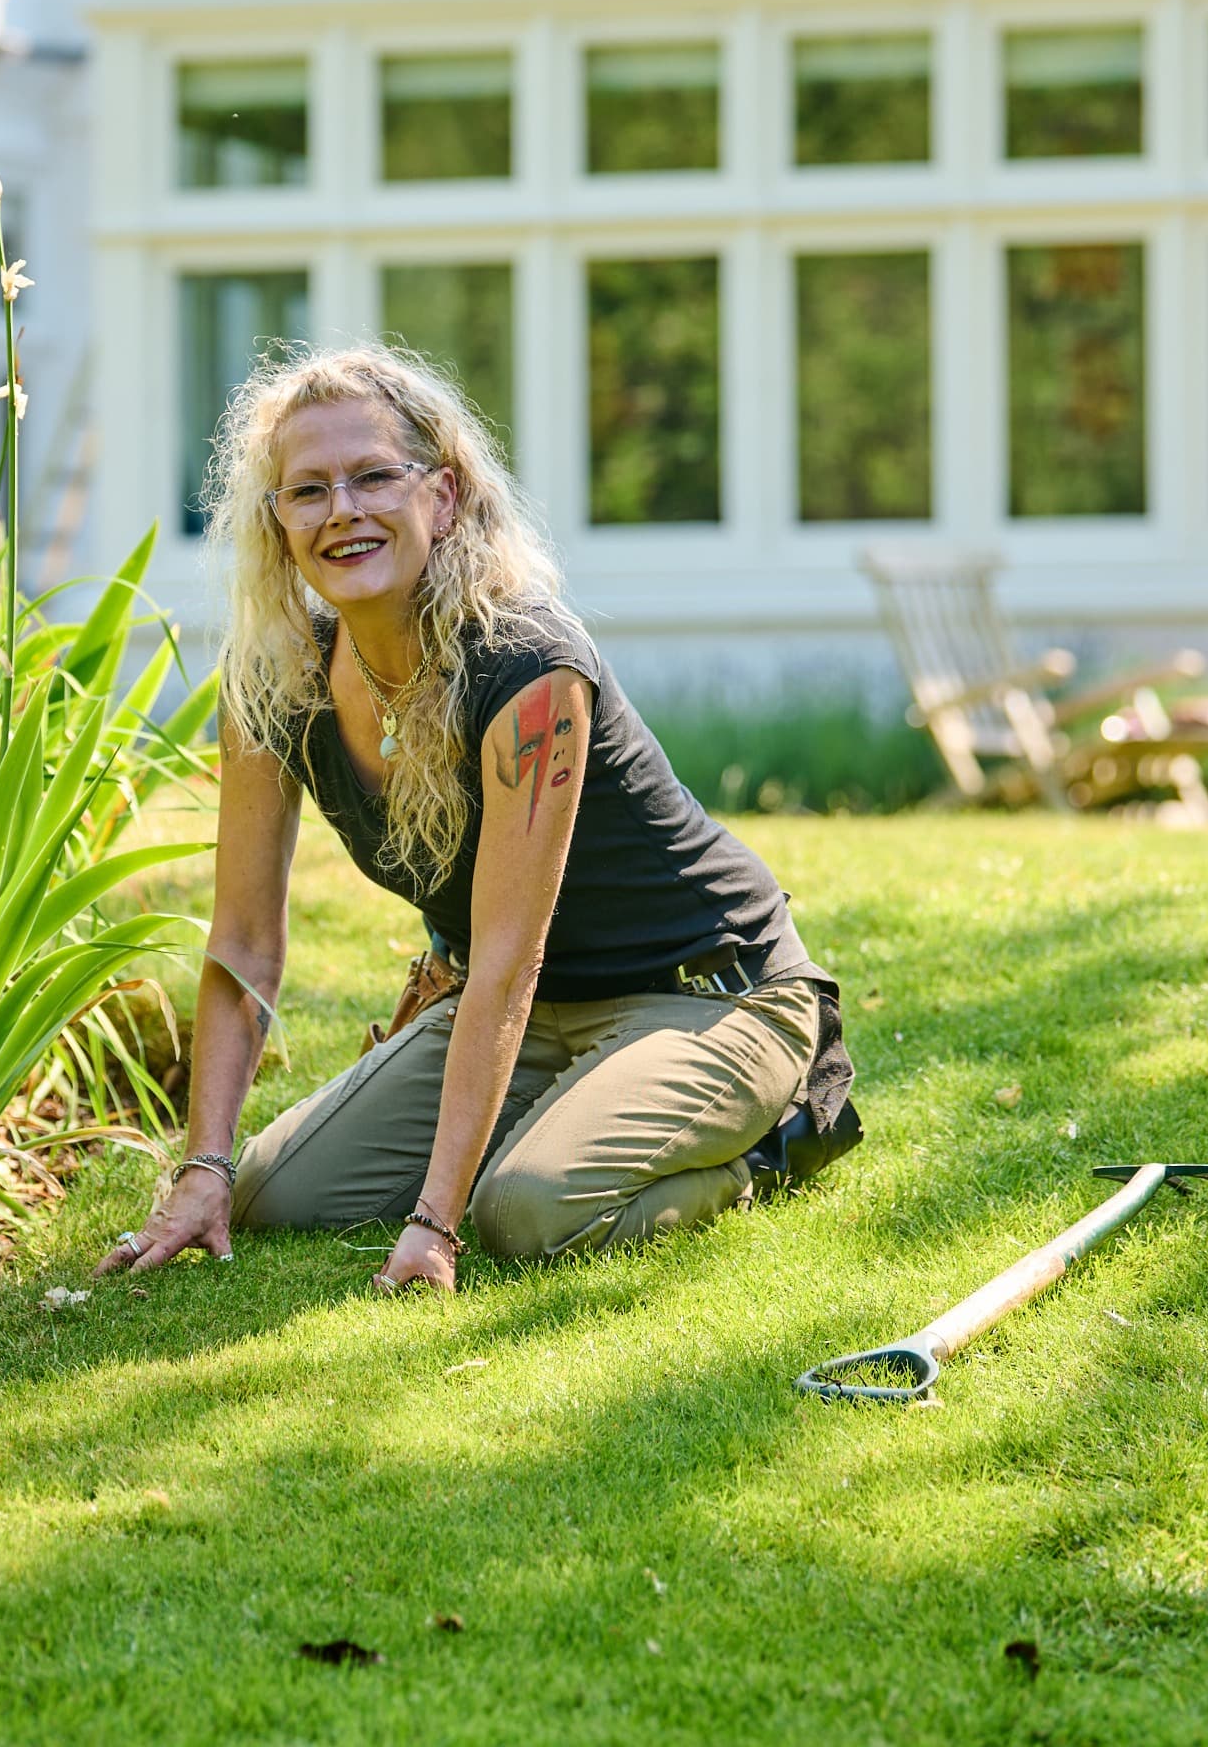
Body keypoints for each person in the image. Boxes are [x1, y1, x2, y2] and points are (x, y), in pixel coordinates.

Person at [100, 346, 859, 1295]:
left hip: (708, 992)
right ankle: (549, 1116)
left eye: (376, 476)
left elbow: (506, 957)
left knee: (525, 1212)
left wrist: (435, 1222)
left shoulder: (528, 667)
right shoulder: (271, 679)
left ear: (445, 497)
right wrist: (203, 1170)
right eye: (309, 490)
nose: (343, 510)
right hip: (528, 1017)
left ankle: (767, 1147)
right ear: (277, 521)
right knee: (271, 1193)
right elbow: (245, 940)